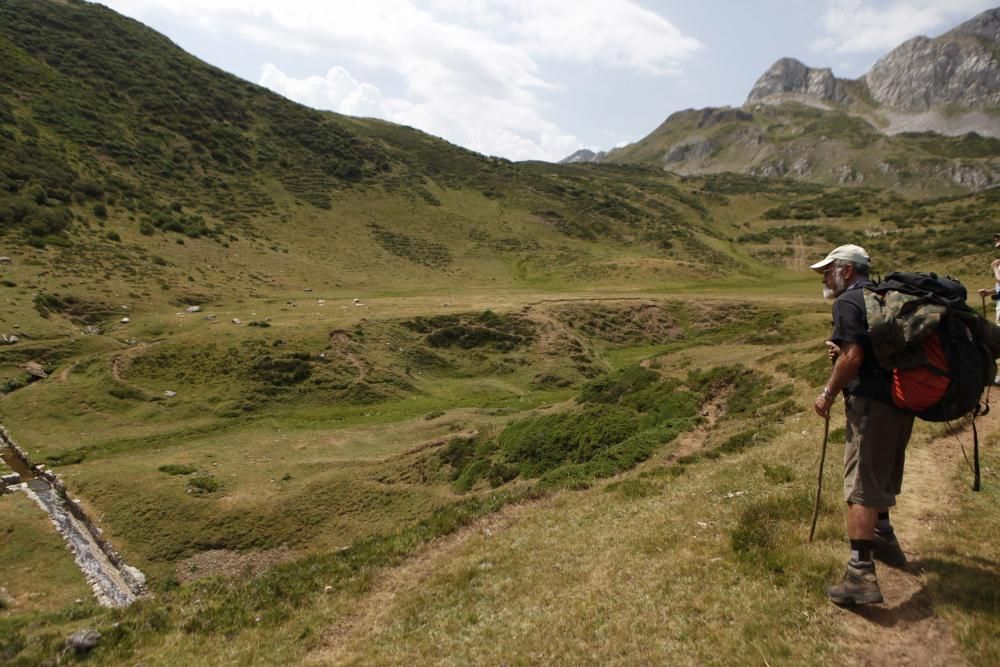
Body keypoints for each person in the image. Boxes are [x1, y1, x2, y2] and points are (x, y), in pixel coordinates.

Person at [811, 244, 914, 606]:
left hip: (871, 405)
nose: (824, 277)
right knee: (880, 475)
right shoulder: (883, 295)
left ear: (847, 270)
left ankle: (860, 575)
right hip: (901, 402)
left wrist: (826, 393)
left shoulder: (847, 302)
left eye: (828, 270)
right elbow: (867, 350)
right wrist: (844, 352)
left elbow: (854, 357)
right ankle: (885, 539)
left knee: (860, 488)